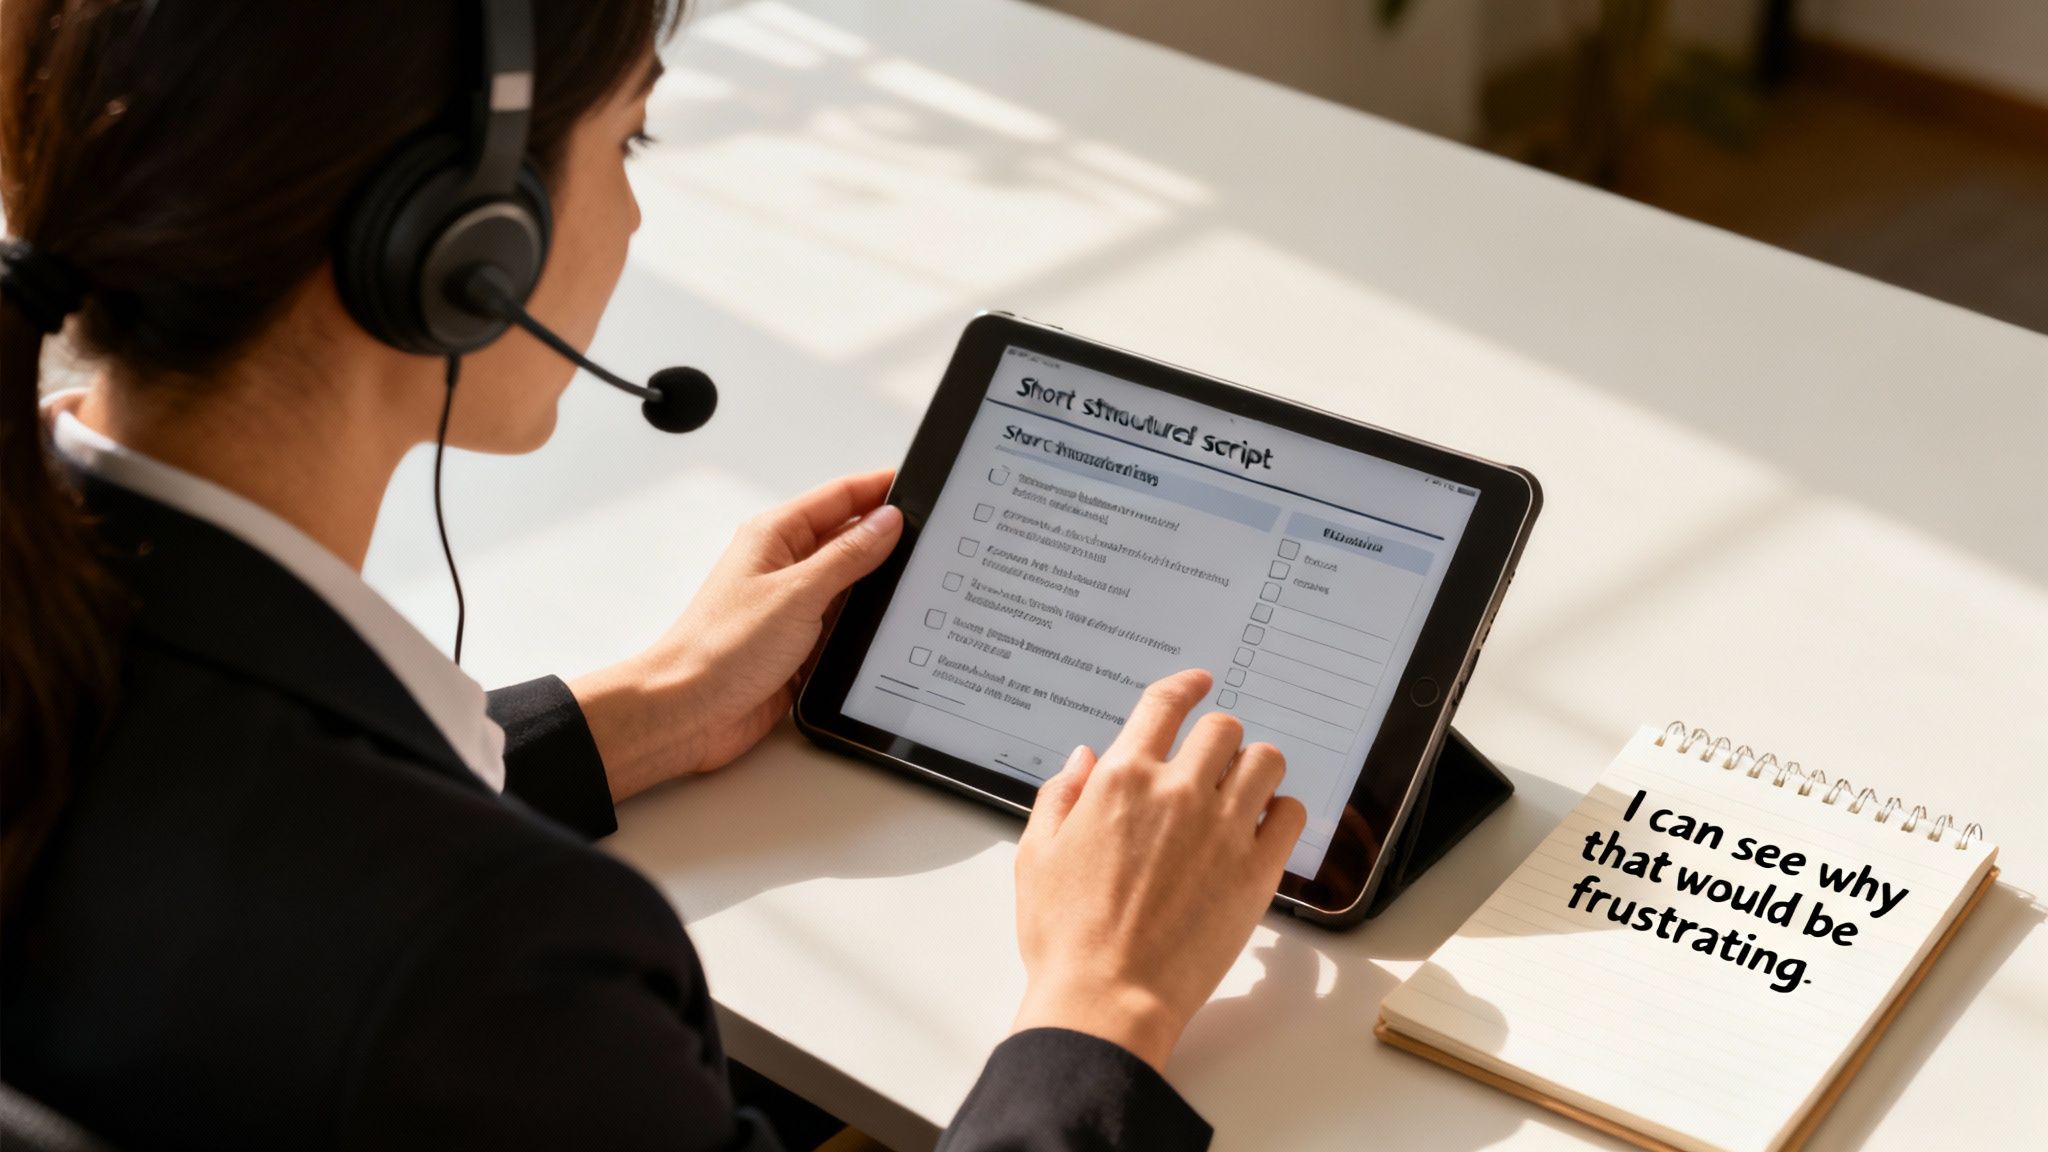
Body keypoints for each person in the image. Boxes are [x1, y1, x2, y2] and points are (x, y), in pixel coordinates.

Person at [0, 2, 1307, 1149]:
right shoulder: (487, 973)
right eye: (627, 141)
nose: (631, 212)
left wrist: (647, 708)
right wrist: (1105, 1001)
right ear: (462, 246)